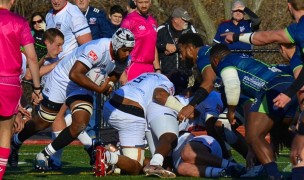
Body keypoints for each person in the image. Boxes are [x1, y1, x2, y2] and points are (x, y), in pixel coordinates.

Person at [8, 28, 134, 172]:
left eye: (130, 50)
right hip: (62, 79)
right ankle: (16, 142)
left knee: (80, 123)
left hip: (82, 84)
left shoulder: (124, 58)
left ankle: (44, 154)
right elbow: (74, 74)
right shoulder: (97, 49)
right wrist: (99, 89)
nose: (128, 53)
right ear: (116, 45)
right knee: (44, 122)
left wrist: (110, 83)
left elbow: (115, 74)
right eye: (125, 50)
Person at [222, 1, 304, 178]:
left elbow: (268, 37)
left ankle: (273, 174)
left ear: (289, 6)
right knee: (290, 138)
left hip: (278, 92)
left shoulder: (298, 33)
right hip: (287, 99)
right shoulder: (296, 52)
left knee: (256, 135)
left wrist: (236, 37)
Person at [209, 43, 298, 179]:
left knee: (254, 136)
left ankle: (273, 175)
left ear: (215, 60)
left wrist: (231, 112)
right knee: (281, 133)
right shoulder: (243, 59)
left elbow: (232, 86)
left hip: (273, 88)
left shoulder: (225, 63)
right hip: (291, 88)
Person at [101, 72, 181, 176]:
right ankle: (107, 156)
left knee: (138, 156)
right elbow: (159, 95)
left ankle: (113, 160)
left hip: (110, 105)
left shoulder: (150, 74)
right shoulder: (167, 83)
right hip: (129, 113)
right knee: (135, 167)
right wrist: (182, 108)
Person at [0, 0, 42, 178]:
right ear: (13, 1)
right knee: (5, 131)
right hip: (9, 82)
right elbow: (32, 58)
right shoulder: (19, 22)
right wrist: (37, 88)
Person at [119, 0, 160, 84]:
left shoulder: (153, 21)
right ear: (135, 2)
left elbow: (153, 45)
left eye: (146, 2)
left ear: (150, 2)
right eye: (140, 2)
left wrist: (157, 69)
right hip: (134, 65)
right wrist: (122, 73)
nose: (144, 5)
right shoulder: (129, 20)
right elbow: (119, 45)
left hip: (150, 67)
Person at [172, 132, 245, 178]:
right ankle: (225, 172)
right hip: (190, 163)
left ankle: (233, 165)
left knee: (188, 154)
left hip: (196, 142)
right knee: (181, 168)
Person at [157, 7, 197, 77]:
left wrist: (177, 47)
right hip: (165, 74)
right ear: (175, 19)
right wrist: (165, 46)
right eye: (184, 20)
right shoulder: (162, 29)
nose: (187, 22)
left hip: (185, 73)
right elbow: (152, 45)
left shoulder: (190, 29)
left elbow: (196, 44)